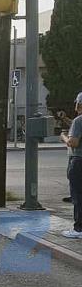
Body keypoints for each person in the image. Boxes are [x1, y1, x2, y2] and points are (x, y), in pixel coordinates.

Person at [60, 92, 82, 239]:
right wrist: (66, 120)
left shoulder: (79, 120)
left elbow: (73, 142)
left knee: (78, 195)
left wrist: (63, 137)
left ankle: (78, 229)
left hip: (79, 161)